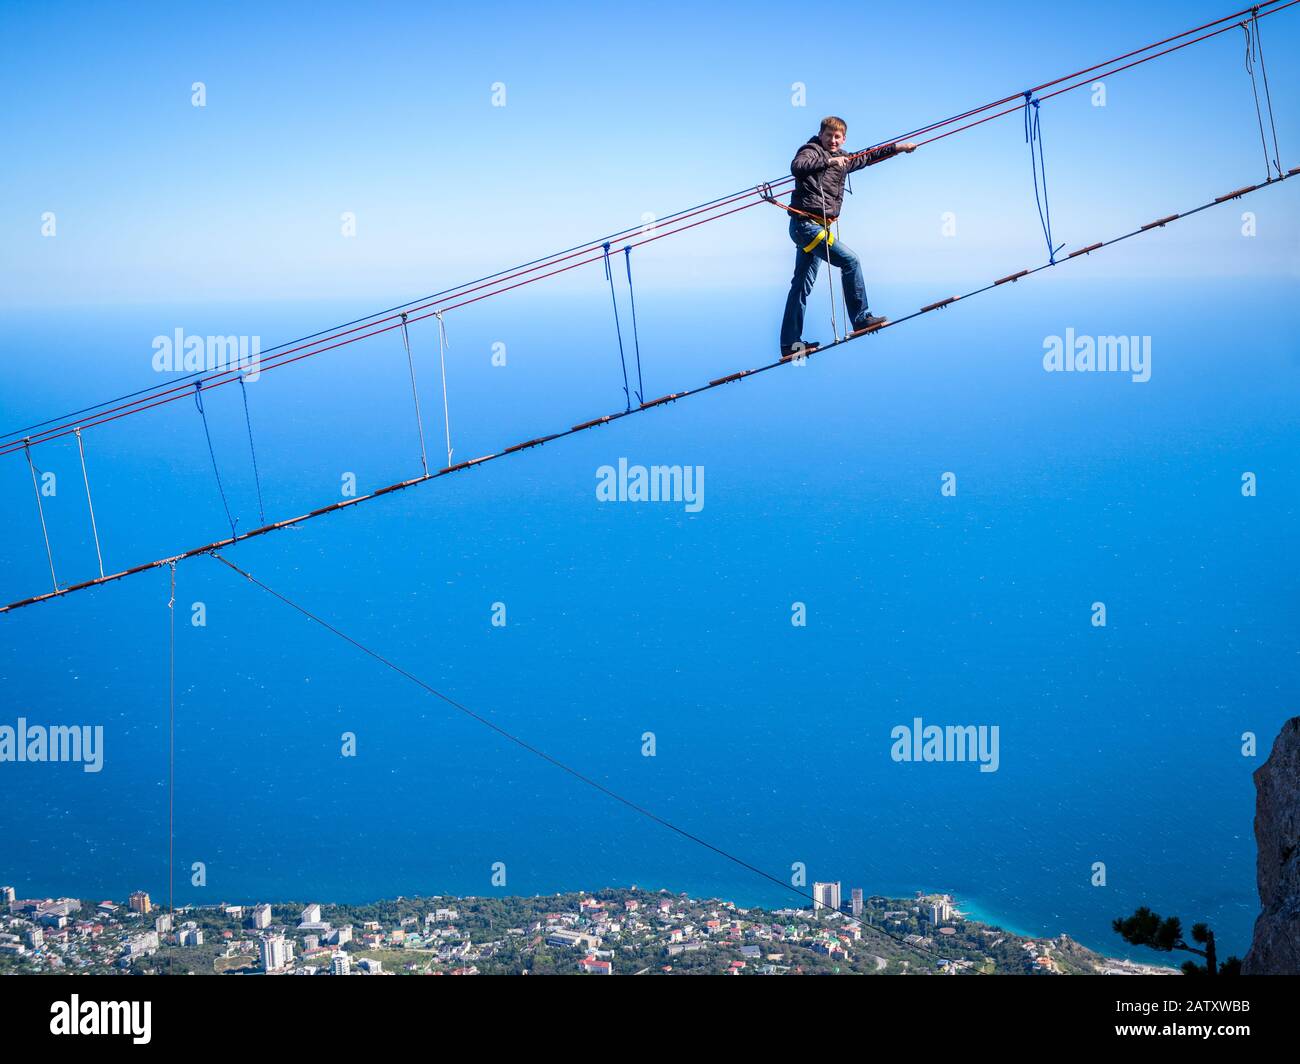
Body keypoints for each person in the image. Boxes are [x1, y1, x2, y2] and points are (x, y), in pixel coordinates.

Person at [779, 116, 916, 358]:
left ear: (843, 139)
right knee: (851, 261)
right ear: (821, 135)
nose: (833, 140)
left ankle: (790, 343)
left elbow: (868, 157)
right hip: (806, 227)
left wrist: (898, 148)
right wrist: (829, 161)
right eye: (829, 135)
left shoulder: (843, 159)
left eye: (837, 137)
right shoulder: (811, 150)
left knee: (800, 285)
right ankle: (861, 319)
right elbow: (797, 167)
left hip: (816, 228)